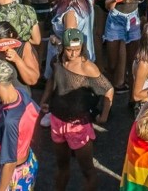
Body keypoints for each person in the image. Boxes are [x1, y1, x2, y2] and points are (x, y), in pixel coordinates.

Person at [40, 28, 113, 191]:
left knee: (87, 170)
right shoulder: (57, 60)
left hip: (78, 125)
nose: (73, 54)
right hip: (57, 120)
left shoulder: (87, 67)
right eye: (69, 50)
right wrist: (44, 101)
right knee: (61, 166)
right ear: (63, 47)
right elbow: (52, 81)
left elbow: (108, 89)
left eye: (77, 50)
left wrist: (104, 115)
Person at [0, 60, 38, 191]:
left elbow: (10, 163)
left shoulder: (10, 120)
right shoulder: (21, 93)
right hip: (28, 161)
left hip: (15, 174)